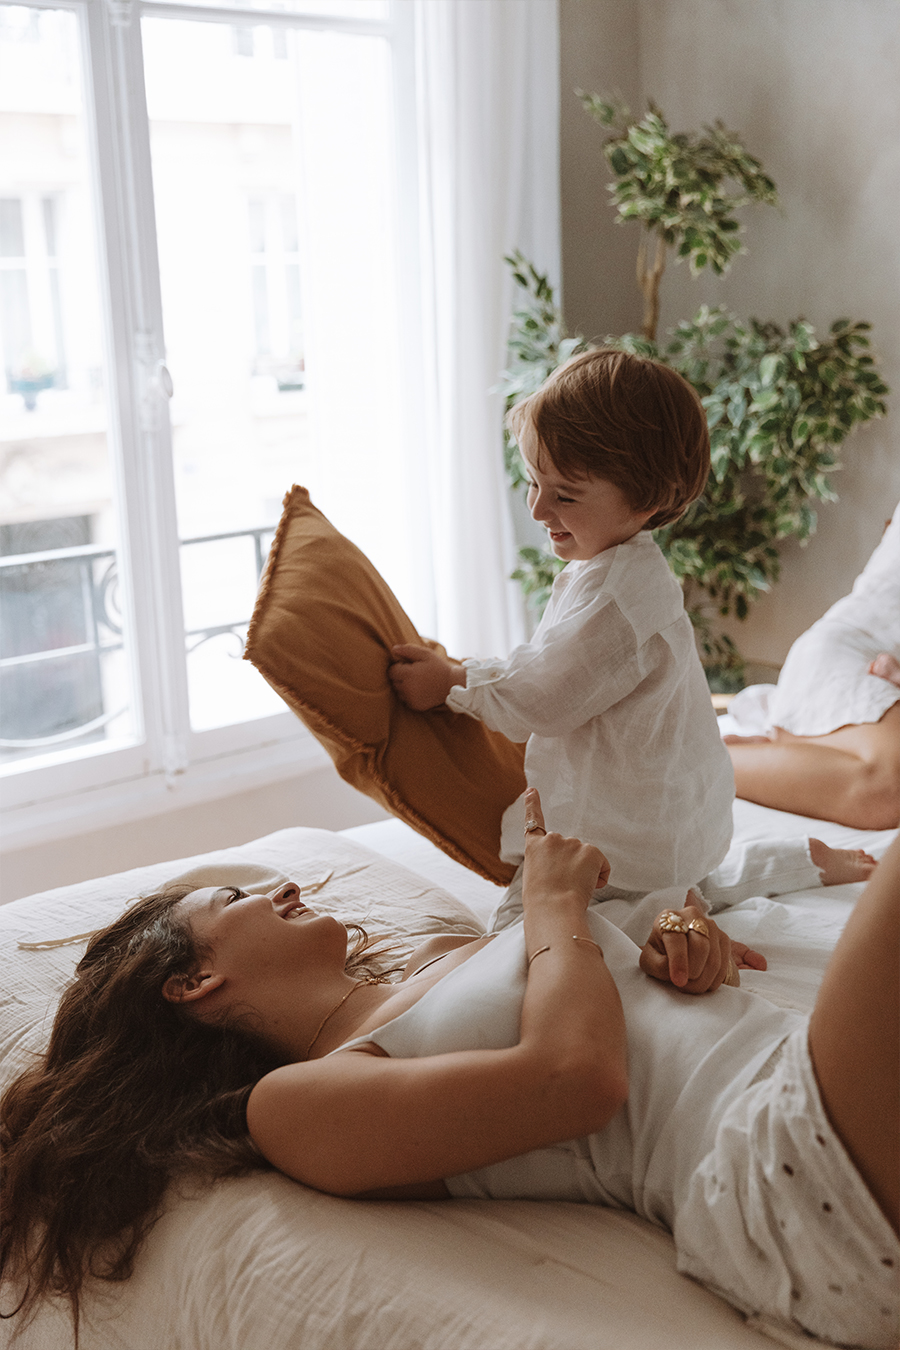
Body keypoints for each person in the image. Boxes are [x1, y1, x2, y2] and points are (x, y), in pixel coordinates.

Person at [1, 789, 896, 1349]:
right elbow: (577, 1079)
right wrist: (552, 901)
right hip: (780, 1167)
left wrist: (679, 943)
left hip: (796, 1071)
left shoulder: (444, 962)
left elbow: (602, 997)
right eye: (233, 899)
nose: (279, 888)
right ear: (192, 980)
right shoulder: (296, 1104)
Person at [388, 349, 875, 928]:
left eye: (565, 494)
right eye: (532, 481)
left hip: (609, 846)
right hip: (660, 823)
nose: (539, 507)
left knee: (523, 941)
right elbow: (549, 666)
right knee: (674, 887)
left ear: (648, 500)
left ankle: (725, 886)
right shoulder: (621, 568)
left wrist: (454, 682)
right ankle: (785, 864)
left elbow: (542, 696)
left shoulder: (617, 599)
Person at [724, 508, 900, 830]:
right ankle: (699, 762)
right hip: (853, 650)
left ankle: (793, 743)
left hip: (881, 665)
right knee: (889, 788)